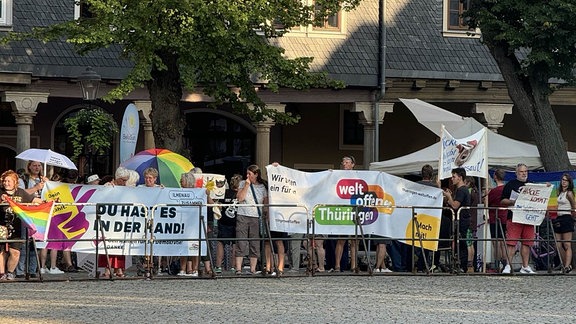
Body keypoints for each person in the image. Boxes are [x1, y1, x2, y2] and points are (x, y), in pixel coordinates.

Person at [0, 170, 42, 280]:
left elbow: (34, 200)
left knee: (15, 252)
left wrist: (49, 201)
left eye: (9, 181)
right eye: (4, 181)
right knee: (1, 251)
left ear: (15, 182)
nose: (6, 183)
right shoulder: (0, 192)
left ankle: (10, 273)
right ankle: (1, 274)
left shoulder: (21, 192)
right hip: (1, 225)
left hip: (17, 225)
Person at [500, 163, 535, 274]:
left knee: (527, 243)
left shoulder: (532, 184)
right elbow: (502, 201)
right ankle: (508, 266)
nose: (524, 173)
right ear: (516, 173)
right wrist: (514, 201)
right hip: (514, 216)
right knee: (511, 242)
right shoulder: (510, 184)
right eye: (521, 171)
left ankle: (525, 266)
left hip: (528, 218)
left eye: (525, 171)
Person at [99, 167, 132, 278]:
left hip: (120, 220)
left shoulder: (125, 188)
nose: (124, 182)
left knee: (120, 245)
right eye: (122, 180)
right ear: (117, 178)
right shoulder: (107, 186)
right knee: (107, 245)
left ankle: (119, 268)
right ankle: (107, 269)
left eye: (126, 180)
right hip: (109, 220)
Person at [234, 164, 267, 275]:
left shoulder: (262, 186)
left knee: (255, 242)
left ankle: (252, 269)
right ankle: (239, 268)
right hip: (243, 214)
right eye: (247, 173)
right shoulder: (243, 183)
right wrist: (246, 186)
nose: (247, 175)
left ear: (256, 174)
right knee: (241, 241)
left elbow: (265, 202)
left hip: (256, 216)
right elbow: (240, 198)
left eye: (250, 174)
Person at [442, 167, 471, 273]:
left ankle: (463, 266)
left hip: (462, 219)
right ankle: (459, 264)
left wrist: (449, 197)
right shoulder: (460, 190)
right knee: (458, 241)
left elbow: (455, 205)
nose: (452, 179)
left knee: (461, 242)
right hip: (459, 219)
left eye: (454, 177)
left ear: (460, 177)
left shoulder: (462, 190)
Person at [333, 155, 358, 272]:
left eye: (348, 162)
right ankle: (337, 265)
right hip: (343, 210)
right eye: (343, 162)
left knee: (354, 240)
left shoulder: (358, 176)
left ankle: (353, 265)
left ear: (353, 164)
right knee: (341, 239)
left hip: (354, 210)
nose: (345, 164)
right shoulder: (337, 176)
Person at [214, 174, 241, 274]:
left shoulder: (224, 193)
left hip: (224, 221)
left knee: (221, 243)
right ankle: (233, 266)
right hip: (236, 221)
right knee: (235, 244)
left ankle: (218, 266)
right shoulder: (240, 194)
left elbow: (219, 205)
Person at [553, 173, 576, 273]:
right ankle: (564, 263)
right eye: (562, 180)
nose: (563, 182)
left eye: (566, 180)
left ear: (569, 182)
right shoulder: (560, 192)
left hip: (566, 217)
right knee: (558, 244)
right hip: (559, 217)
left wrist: (572, 216)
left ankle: (567, 266)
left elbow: (574, 206)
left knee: (567, 244)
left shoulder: (569, 193)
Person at [487, 169, 507, 271]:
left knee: (496, 243)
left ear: (495, 177)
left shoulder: (494, 191)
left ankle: (498, 263)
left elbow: (488, 202)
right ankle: (505, 263)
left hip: (495, 217)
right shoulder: (506, 189)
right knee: (503, 242)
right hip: (505, 217)